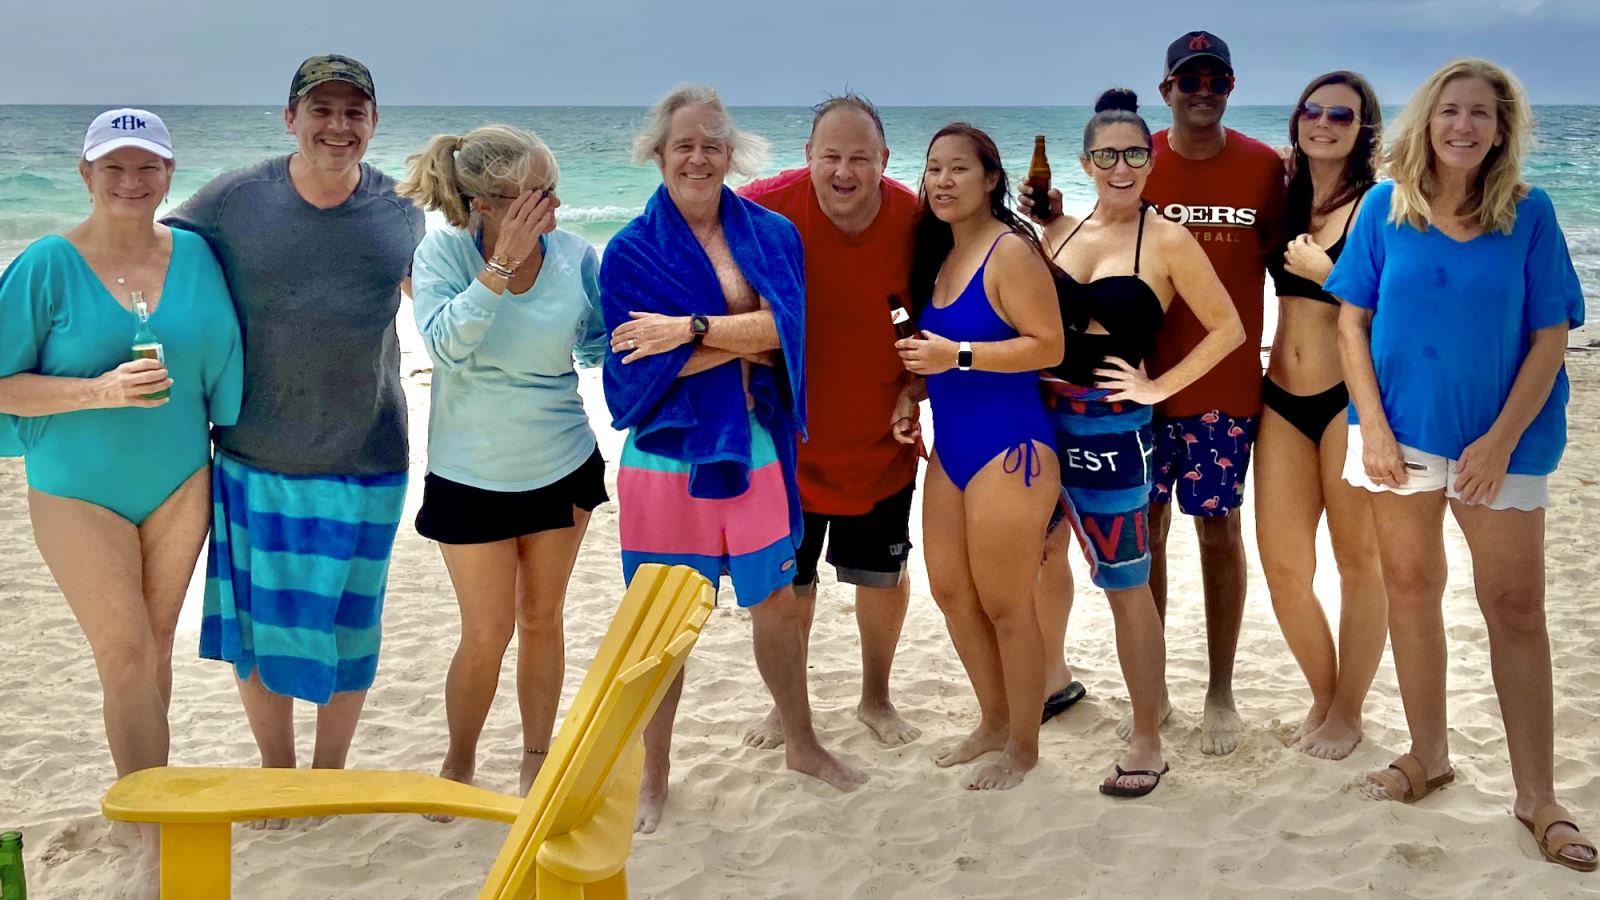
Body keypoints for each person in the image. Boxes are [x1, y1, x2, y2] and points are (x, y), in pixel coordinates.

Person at [1328, 58, 1593, 873]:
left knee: (1515, 606)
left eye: (1482, 113)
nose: (1464, 126)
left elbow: (1552, 334)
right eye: (1450, 111)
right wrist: (1370, 427)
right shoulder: (1384, 207)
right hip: (1398, 436)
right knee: (1411, 590)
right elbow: (1351, 323)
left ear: (1503, 128)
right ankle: (1429, 754)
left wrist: (1502, 439)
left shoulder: (1530, 213)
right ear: (1427, 120)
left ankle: (1538, 796)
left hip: (1500, 444)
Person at [600, 85, 868, 834]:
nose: (698, 156)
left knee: (776, 605)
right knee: (661, 623)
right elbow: (631, 371)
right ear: (659, 153)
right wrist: (738, 335)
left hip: (755, 443)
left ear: (732, 154)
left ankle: (802, 743)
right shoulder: (629, 249)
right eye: (684, 143)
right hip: (665, 456)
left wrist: (686, 331)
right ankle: (654, 774)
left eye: (712, 143)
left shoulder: (773, 235)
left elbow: (790, 335)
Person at [164, 55, 425, 802]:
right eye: (322, 110)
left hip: (371, 452)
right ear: (290, 119)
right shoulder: (234, 199)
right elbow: (158, 263)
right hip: (258, 451)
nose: (337, 126)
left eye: (354, 112)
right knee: (260, 632)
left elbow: (446, 299)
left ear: (373, 123)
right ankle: (278, 775)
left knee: (352, 629)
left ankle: (329, 776)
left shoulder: (404, 208)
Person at [0, 108, 243, 895]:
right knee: (127, 653)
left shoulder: (201, 255)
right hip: (77, 486)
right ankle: (151, 837)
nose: (132, 182)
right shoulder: (44, 264)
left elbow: (229, 365)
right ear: (86, 175)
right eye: (114, 167)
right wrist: (99, 389)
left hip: (180, 477)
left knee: (154, 649)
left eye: (148, 167)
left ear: (170, 174)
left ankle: (144, 796)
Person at [1030, 31, 1285, 755]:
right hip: (1120, 407)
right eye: (1189, 77)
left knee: (1218, 532)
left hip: (1218, 395)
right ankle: (1158, 693)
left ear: (1230, 85)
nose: (1203, 88)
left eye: (1217, 77)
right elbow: (1085, 246)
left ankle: (1221, 692)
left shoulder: (1266, 168)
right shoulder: (1127, 171)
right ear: (1167, 87)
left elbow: (1289, 263)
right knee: (1146, 543)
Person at [397, 125, 609, 807]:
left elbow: (604, 346)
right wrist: (501, 266)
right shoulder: (443, 256)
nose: (557, 203)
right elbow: (447, 348)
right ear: (488, 204)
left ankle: (536, 759)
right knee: (486, 632)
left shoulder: (577, 257)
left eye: (554, 186)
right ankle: (459, 763)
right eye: (539, 193)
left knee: (543, 619)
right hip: (470, 477)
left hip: (562, 462)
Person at [737, 93, 922, 749]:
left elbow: (949, 309)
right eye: (832, 157)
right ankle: (786, 706)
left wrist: (917, 385)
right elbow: (693, 243)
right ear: (809, 157)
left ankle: (877, 697)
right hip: (786, 443)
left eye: (860, 158)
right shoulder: (765, 204)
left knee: (882, 579)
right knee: (791, 586)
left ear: (884, 161)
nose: (845, 172)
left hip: (880, 437)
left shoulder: (916, 218)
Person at [895, 123, 1062, 790]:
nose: (942, 180)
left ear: (991, 178)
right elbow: (935, 356)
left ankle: (1024, 747)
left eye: (958, 168)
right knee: (951, 592)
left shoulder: (1010, 253)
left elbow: (1047, 346)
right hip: (953, 447)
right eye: (933, 168)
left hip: (1011, 447)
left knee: (1005, 604)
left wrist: (955, 356)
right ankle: (993, 721)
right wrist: (912, 392)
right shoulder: (941, 257)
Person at [1257, 72, 1388, 761]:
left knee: (1358, 560)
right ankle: (1324, 692)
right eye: (1313, 108)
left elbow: (1396, 302)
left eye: (1343, 113)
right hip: (1279, 395)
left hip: (1347, 399)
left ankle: (1348, 711)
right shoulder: (1284, 197)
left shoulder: (1379, 203)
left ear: (1363, 129)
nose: (1325, 121)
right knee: (1282, 565)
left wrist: (1324, 274)